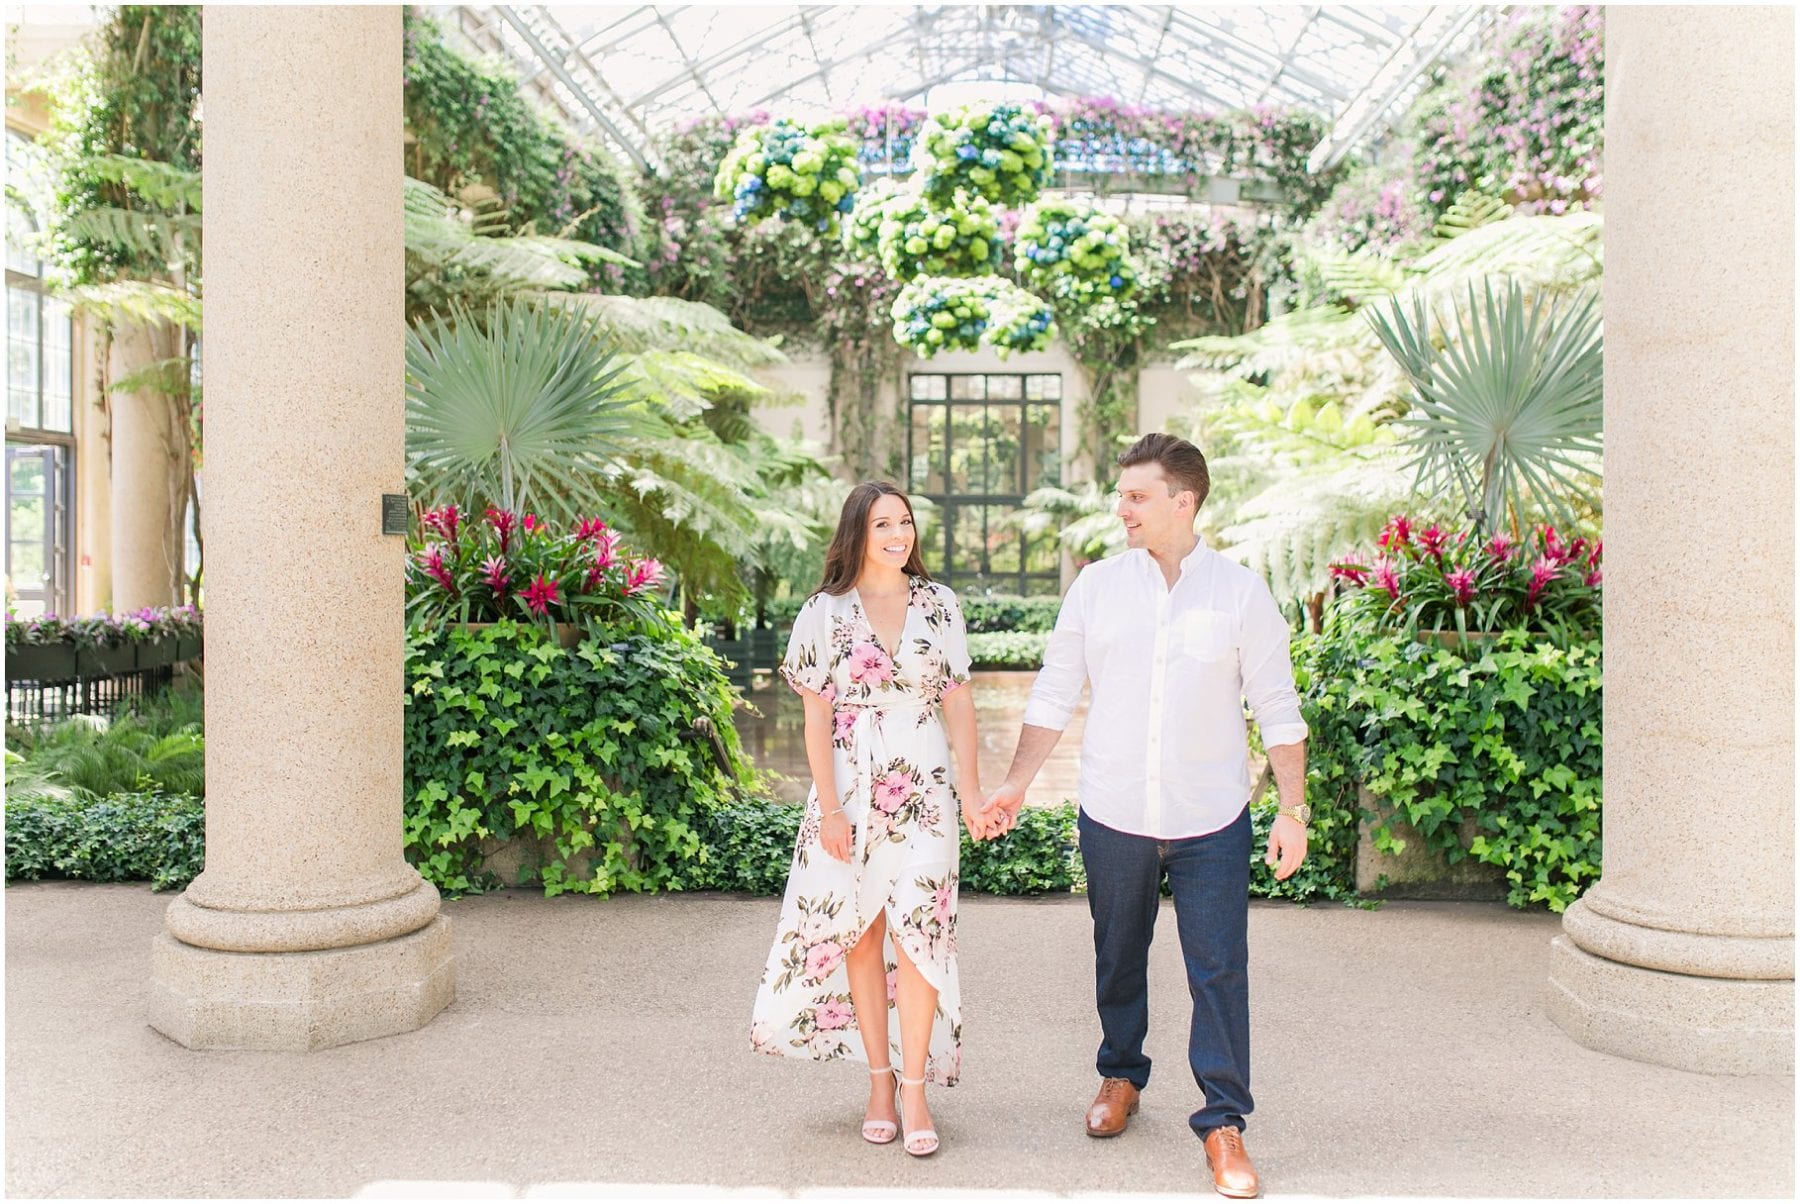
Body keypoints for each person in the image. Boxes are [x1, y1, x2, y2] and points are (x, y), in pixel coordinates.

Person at [981, 433, 1311, 1199]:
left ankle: (1224, 1122)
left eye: (1136, 496)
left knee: (1220, 970)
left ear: (1182, 501)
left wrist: (1292, 810)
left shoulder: (1240, 593)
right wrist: (1016, 784)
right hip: (1115, 811)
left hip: (1211, 818)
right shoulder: (1097, 588)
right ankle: (1120, 1076)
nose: (1120, 508)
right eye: (1121, 494)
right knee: (1118, 955)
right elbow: (1055, 693)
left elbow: (1278, 710)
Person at [750, 481, 996, 1158]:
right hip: (852, 790)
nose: (898, 534)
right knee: (862, 935)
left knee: (921, 934)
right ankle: (879, 1082)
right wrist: (829, 808)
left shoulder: (940, 605)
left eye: (906, 522)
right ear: (857, 532)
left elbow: (961, 706)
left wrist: (972, 798)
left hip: (925, 788)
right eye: (883, 522)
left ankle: (916, 1088)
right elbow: (814, 716)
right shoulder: (823, 612)